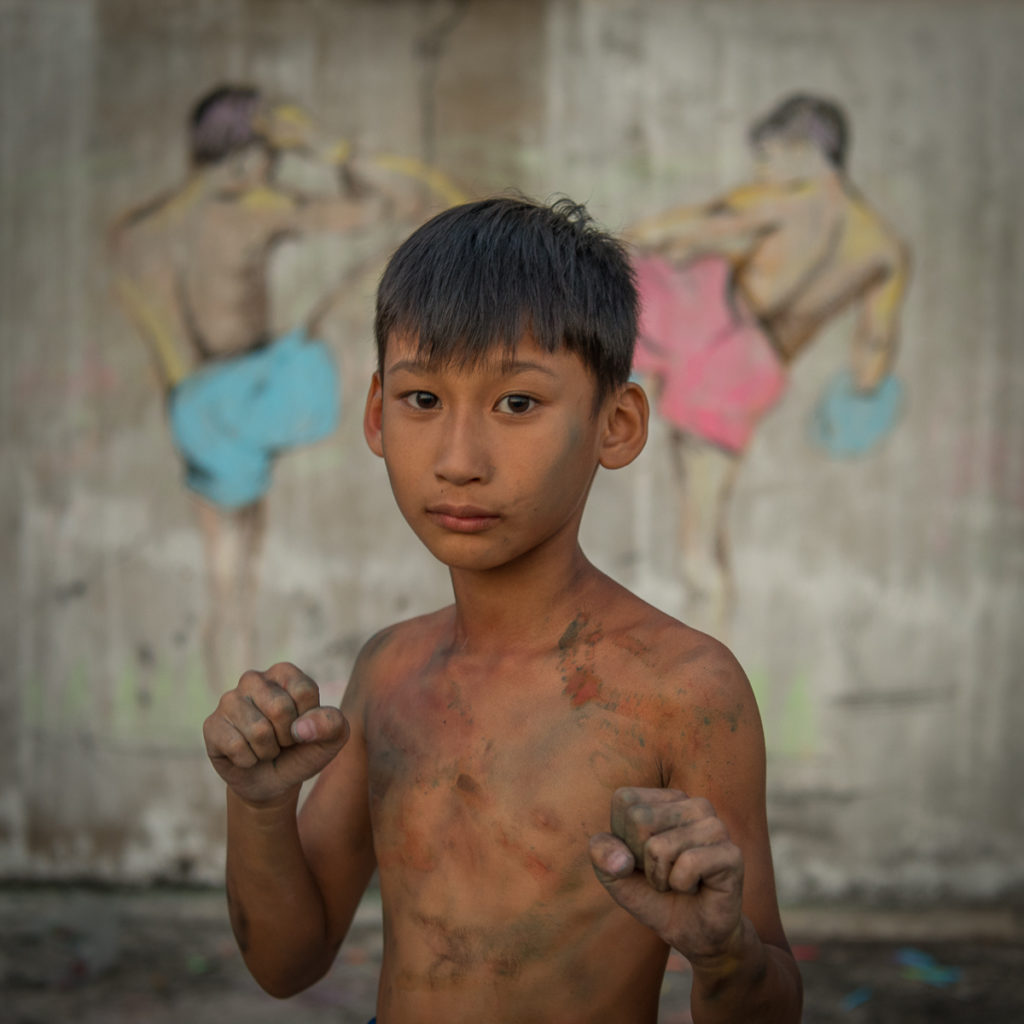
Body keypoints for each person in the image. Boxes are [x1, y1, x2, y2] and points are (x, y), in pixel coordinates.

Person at [202, 196, 803, 1022]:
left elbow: (767, 1003)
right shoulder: (391, 671)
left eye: (517, 404)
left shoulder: (685, 690)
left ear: (616, 424)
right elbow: (285, 962)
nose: (457, 460)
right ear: (377, 414)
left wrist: (723, 950)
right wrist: (258, 805)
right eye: (423, 401)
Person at [109, 84, 426, 686]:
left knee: (229, 591)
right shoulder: (254, 207)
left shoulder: (144, 227)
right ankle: (241, 735)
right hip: (248, 396)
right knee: (369, 282)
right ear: (246, 152)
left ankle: (227, 729)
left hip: (193, 411)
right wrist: (324, 148)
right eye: (269, 153)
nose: (273, 166)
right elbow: (394, 204)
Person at [628, 93, 911, 638]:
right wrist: (859, 403)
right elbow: (874, 346)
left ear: (805, 151)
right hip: (754, 367)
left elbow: (671, 231)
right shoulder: (886, 248)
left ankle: (706, 682)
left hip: (720, 337)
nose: (763, 167)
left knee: (698, 548)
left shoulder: (780, 201)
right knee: (704, 533)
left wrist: (662, 240)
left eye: (770, 154)